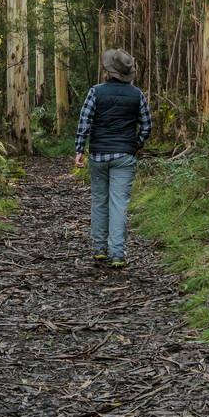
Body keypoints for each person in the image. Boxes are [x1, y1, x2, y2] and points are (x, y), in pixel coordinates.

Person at [71, 48, 153, 268]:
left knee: (99, 201)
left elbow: (84, 121)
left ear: (109, 70)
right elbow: (147, 126)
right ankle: (117, 254)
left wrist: (80, 149)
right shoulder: (137, 95)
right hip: (124, 156)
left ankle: (99, 249)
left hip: (98, 154)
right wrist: (135, 145)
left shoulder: (95, 92)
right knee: (119, 204)